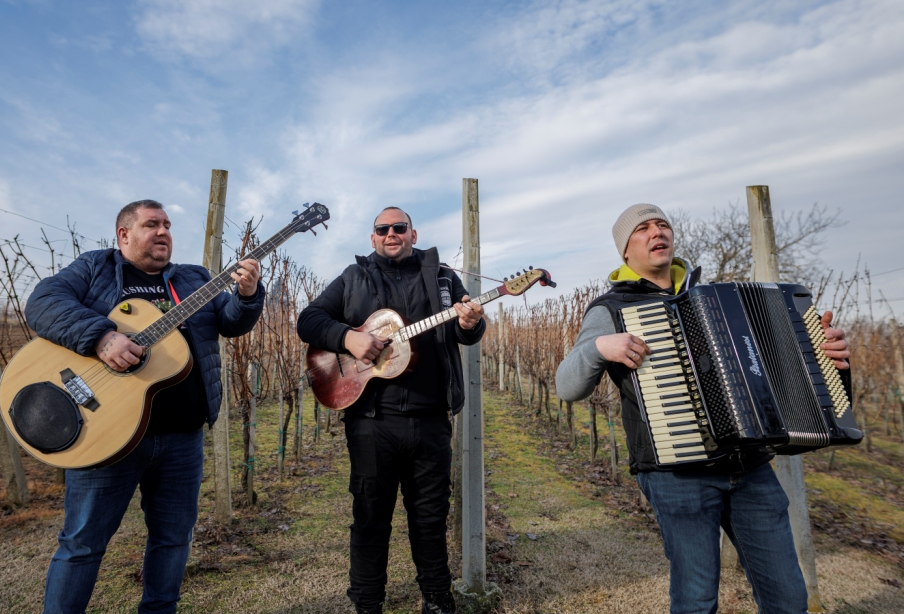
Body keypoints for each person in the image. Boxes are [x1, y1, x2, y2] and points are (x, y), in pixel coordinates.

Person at [554, 202, 852, 614]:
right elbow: (567, 386)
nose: (657, 232)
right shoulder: (612, 309)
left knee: (788, 599)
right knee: (696, 601)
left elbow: (774, 368)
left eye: (662, 224)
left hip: (749, 469)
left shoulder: (716, 298)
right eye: (643, 228)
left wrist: (822, 356)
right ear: (625, 250)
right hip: (678, 475)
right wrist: (599, 348)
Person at [26, 199, 265, 614]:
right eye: (152, 224)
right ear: (124, 234)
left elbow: (230, 323)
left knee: (173, 539)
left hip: (182, 439)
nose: (163, 232)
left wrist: (247, 295)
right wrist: (101, 337)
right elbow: (43, 302)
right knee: (82, 544)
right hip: (107, 435)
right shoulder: (95, 267)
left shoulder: (194, 278)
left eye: (167, 224)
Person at [297, 207, 486, 614]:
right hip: (371, 422)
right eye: (382, 229)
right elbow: (308, 320)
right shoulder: (353, 278)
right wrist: (348, 338)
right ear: (373, 238)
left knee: (431, 518)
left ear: (413, 234)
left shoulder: (443, 278)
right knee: (370, 518)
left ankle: (437, 601)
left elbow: (462, 331)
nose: (391, 234)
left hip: (431, 420)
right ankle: (368, 604)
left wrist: (471, 324)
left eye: (399, 227)